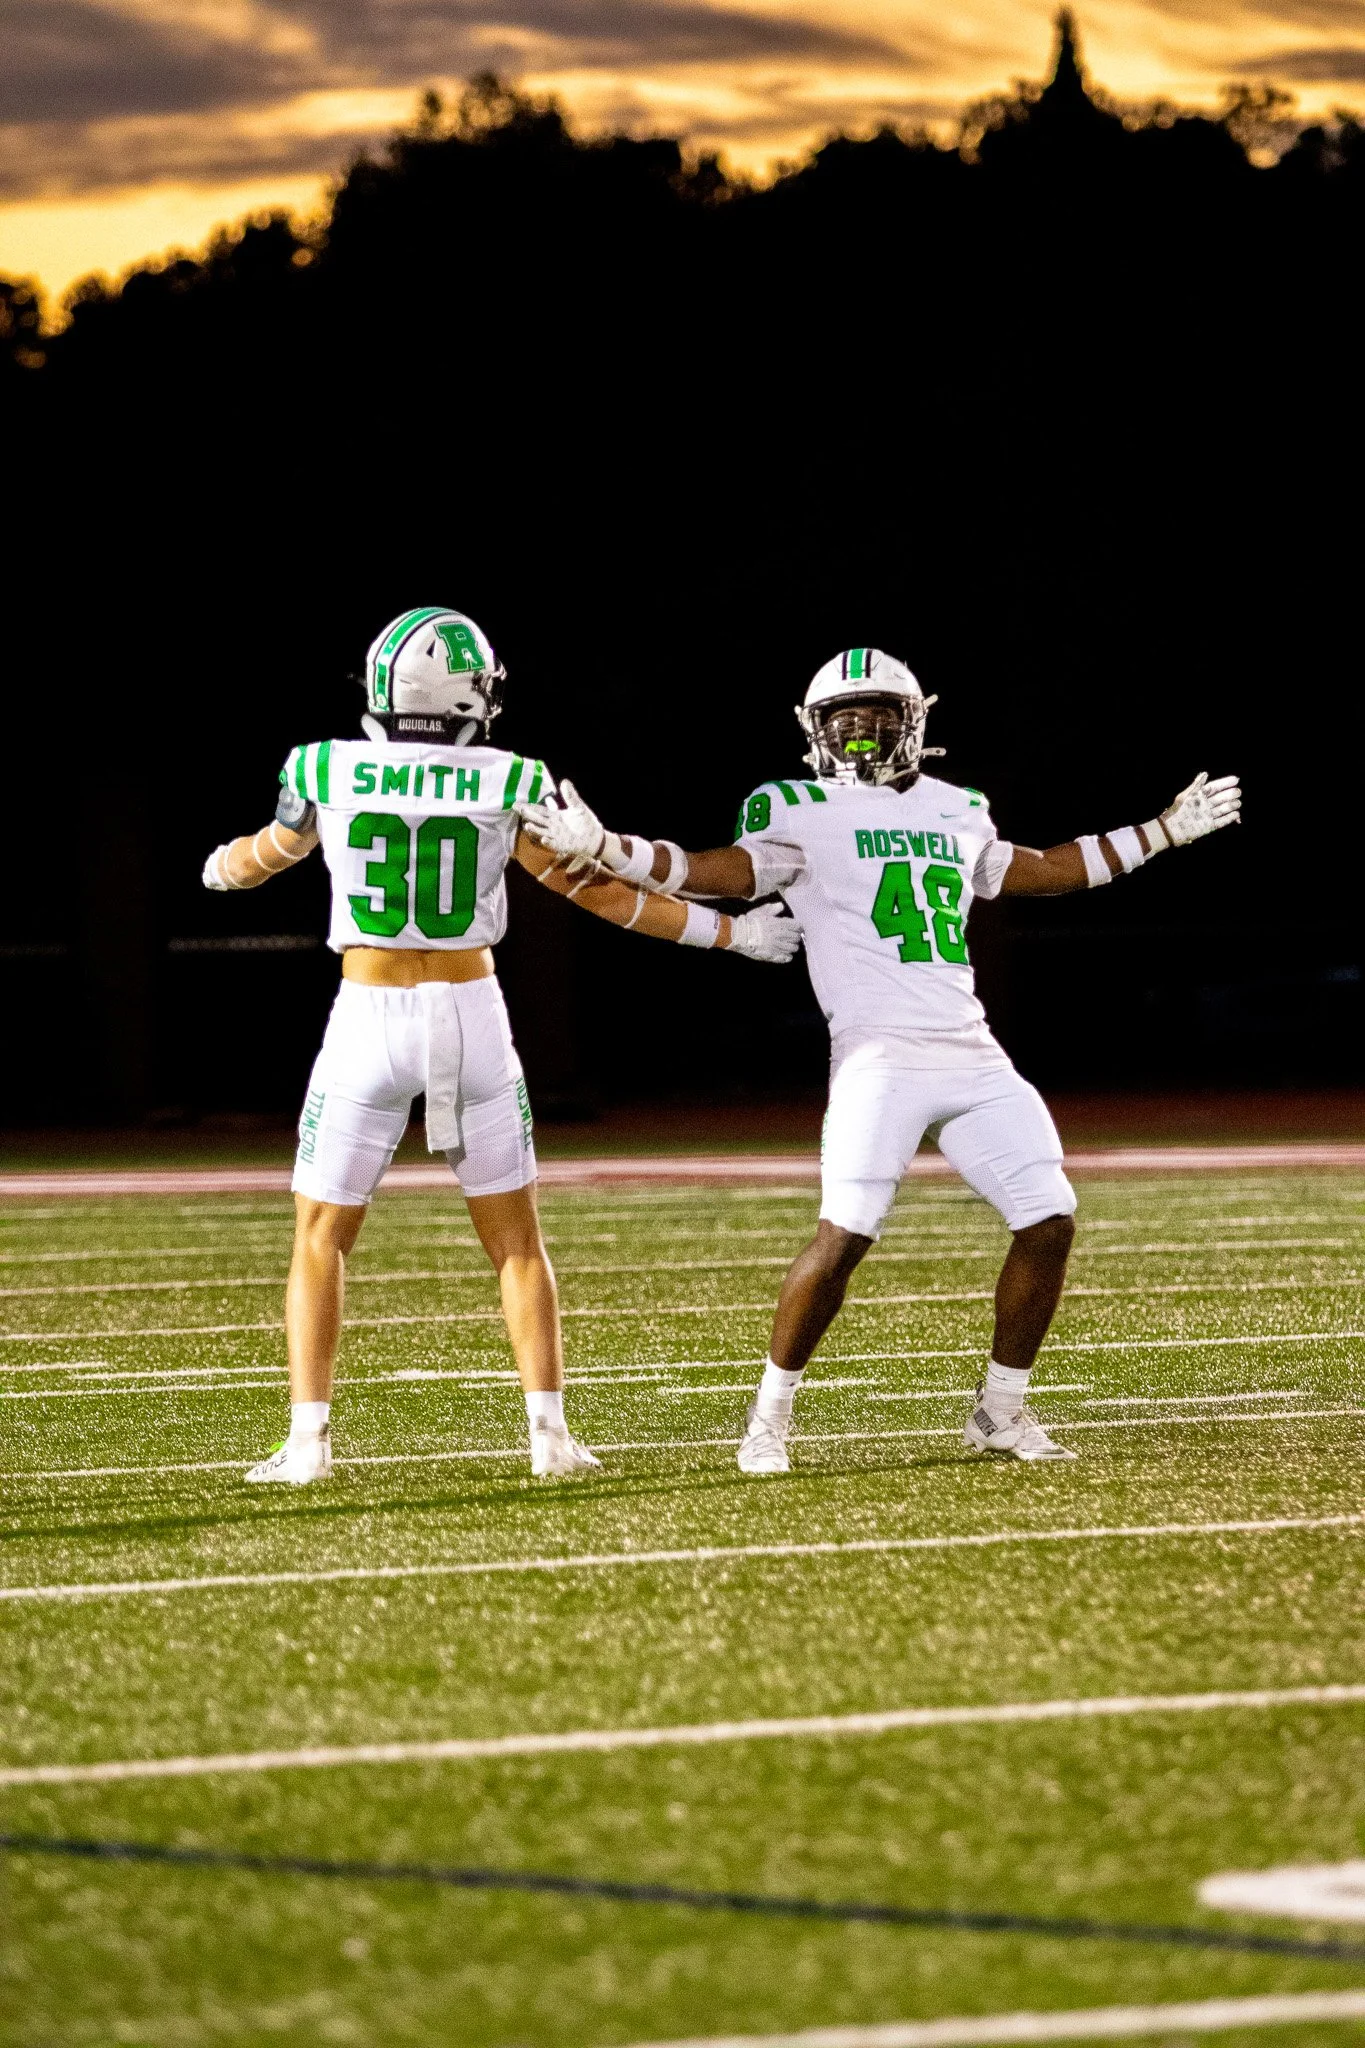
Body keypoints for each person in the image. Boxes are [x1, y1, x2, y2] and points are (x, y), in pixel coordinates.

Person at [523, 646, 1241, 1472]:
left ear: (915, 723)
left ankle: (999, 1412)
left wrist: (1162, 832)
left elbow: (1041, 870)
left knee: (1049, 1221)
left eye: (877, 716)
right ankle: (768, 1421)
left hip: (970, 1050)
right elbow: (719, 872)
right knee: (843, 1238)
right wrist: (611, 848)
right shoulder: (792, 806)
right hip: (878, 1058)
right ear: (814, 730)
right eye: (843, 718)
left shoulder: (957, 806)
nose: (860, 731)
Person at [202, 606, 796, 1485]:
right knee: (517, 1242)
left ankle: (307, 1445)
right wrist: (730, 937)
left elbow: (272, 854)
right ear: (459, 692)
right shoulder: (508, 776)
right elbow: (596, 893)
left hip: (366, 1014)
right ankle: (549, 1437)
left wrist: (223, 864)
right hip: (473, 1014)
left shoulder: (321, 765)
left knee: (320, 1237)